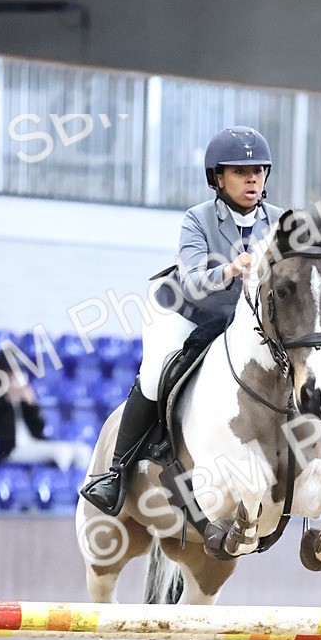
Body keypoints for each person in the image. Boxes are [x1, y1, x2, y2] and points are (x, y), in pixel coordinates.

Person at [81, 126, 283, 517]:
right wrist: (229, 269)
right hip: (186, 312)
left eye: (258, 170)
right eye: (240, 172)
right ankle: (116, 473)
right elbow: (191, 281)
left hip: (242, 322)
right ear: (218, 178)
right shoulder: (197, 219)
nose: (252, 179)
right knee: (156, 373)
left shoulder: (279, 221)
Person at [0, 359, 92, 472]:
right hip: (10, 448)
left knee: (83, 451)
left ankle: (83, 486)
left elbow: (39, 427)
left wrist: (31, 404)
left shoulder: (22, 389)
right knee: (62, 451)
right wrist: (5, 397)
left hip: (32, 442)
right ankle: (61, 482)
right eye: (10, 371)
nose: (14, 375)